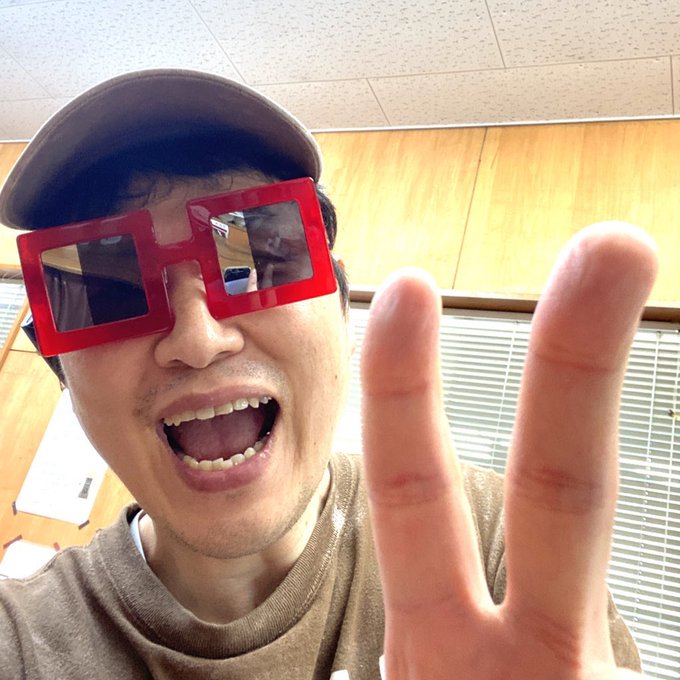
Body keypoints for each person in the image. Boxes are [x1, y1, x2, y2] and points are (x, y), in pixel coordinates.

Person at [0, 69, 656, 679]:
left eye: (254, 255)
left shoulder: (500, 547)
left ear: (341, 309)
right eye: (110, 291)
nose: (197, 339)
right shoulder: (19, 644)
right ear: (62, 373)